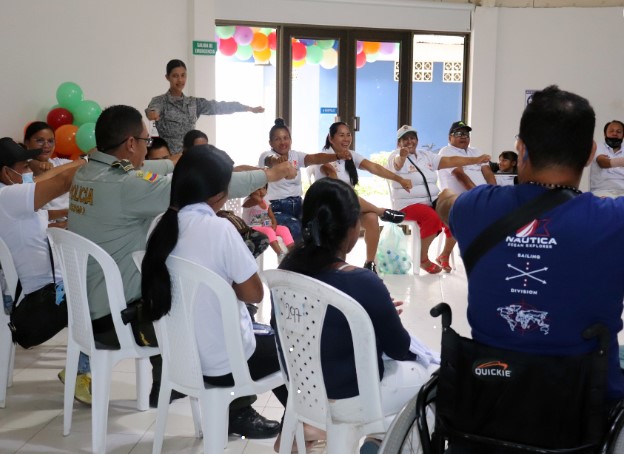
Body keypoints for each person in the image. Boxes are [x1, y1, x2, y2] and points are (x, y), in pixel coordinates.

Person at [68, 104, 295, 435]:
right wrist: (270, 175)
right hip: (122, 320)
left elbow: (154, 168)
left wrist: (180, 160)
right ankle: (236, 409)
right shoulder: (128, 187)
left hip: (87, 308)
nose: (149, 147)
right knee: (211, 302)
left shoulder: (86, 174)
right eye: (147, 140)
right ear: (131, 143)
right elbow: (197, 186)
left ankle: (171, 382)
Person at [436, 86, 624, 414]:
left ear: (521, 149)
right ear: (591, 152)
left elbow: (444, 203)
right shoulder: (613, 221)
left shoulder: (474, 208)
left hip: (486, 404)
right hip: (581, 411)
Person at [141, 145, 294, 439]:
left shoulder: (158, 227)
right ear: (219, 195)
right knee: (291, 350)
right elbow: (254, 294)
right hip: (223, 366)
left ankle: (284, 426)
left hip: (180, 359)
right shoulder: (220, 229)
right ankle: (303, 431)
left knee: (262, 336)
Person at [279, 178, 438, 447]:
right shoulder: (361, 281)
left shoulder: (286, 270)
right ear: (353, 228)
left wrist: (368, 317)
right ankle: (384, 444)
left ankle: (378, 441)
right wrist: (382, 317)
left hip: (303, 388)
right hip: (351, 395)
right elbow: (399, 348)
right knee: (435, 387)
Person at [0, 137, 92, 404]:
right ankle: (81, 373)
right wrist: (93, 163)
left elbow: (46, 203)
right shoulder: (9, 196)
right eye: (24, 166)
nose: (30, 172)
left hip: (34, 288)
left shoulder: (12, 196)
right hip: (42, 297)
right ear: (7, 172)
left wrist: (71, 215)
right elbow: (61, 182)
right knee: (99, 295)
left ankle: (82, 368)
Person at [387, 125, 490, 273]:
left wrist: (476, 159)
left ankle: (444, 254)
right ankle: (422, 259)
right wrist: (402, 156)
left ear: (417, 140)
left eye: (412, 138)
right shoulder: (395, 156)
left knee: (457, 211)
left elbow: (450, 161)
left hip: (431, 200)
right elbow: (397, 164)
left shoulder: (425, 155)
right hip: (408, 203)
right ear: (399, 143)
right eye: (405, 139)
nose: (410, 141)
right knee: (433, 217)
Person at [312, 122, 411, 273]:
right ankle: (382, 211)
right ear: (330, 138)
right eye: (341, 135)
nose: (346, 139)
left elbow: (374, 168)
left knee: (371, 218)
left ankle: (370, 263)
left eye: (348, 135)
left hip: (349, 204)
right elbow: (335, 184)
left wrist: (400, 180)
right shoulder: (324, 157)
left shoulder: (350, 155)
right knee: (348, 194)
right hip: (329, 205)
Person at [258, 118, 353, 242]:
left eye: (285, 138)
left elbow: (314, 158)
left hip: (299, 205)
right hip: (276, 209)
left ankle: (319, 258)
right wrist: (278, 161)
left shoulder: (295, 155)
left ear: (290, 140)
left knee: (319, 225)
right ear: (270, 142)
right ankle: (298, 260)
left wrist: (337, 156)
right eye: (277, 139)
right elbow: (269, 160)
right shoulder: (266, 155)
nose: (282, 142)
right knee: (297, 228)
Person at [146, 59, 264, 154]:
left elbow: (219, 107)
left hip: (191, 157)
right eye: (175, 76)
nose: (180, 80)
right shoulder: (160, 101)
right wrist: (152, 114)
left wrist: (247, 108)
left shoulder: (194, 103)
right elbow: (152, 110)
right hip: (168, 159)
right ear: (167, 77)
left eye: (183, 75)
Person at [23, 121, 72, 227]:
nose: (46, 146)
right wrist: (31, 163)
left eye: (50, 141)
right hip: (44, 232)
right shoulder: (19, 172)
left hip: (70, 225)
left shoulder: (62, 163)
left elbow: (89, 157)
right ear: (27, 142)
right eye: (40, 140)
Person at [437, 121, 496, 194]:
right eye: (458, 134)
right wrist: (479, 195)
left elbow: (488, 173)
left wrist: (494, 192)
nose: (463, 136)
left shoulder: (476, 151)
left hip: (483, 196)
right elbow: (460, 175)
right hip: (459, 199)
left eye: (466, 134)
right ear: (450, 138)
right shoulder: (446, 151)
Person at [242, 185, 294, 261]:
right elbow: (257, 200)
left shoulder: (265, 201)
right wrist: (252, 192)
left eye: (264, 188)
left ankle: (292, 252)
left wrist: (274, 224)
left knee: (284, 229)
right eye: (258, 189)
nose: (262, 191)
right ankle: (280, 254)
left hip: (266, 226)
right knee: (268, 231)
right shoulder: (248, 201)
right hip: (252, 227)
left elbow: (272, 216)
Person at [589, 120, 624, 197]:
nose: (615, 133)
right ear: (605, 134)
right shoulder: (598, 147)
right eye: (611, 131)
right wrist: (621, 162)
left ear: (623, 135)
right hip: (601, 192)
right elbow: (602, 162)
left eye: (619, 132)